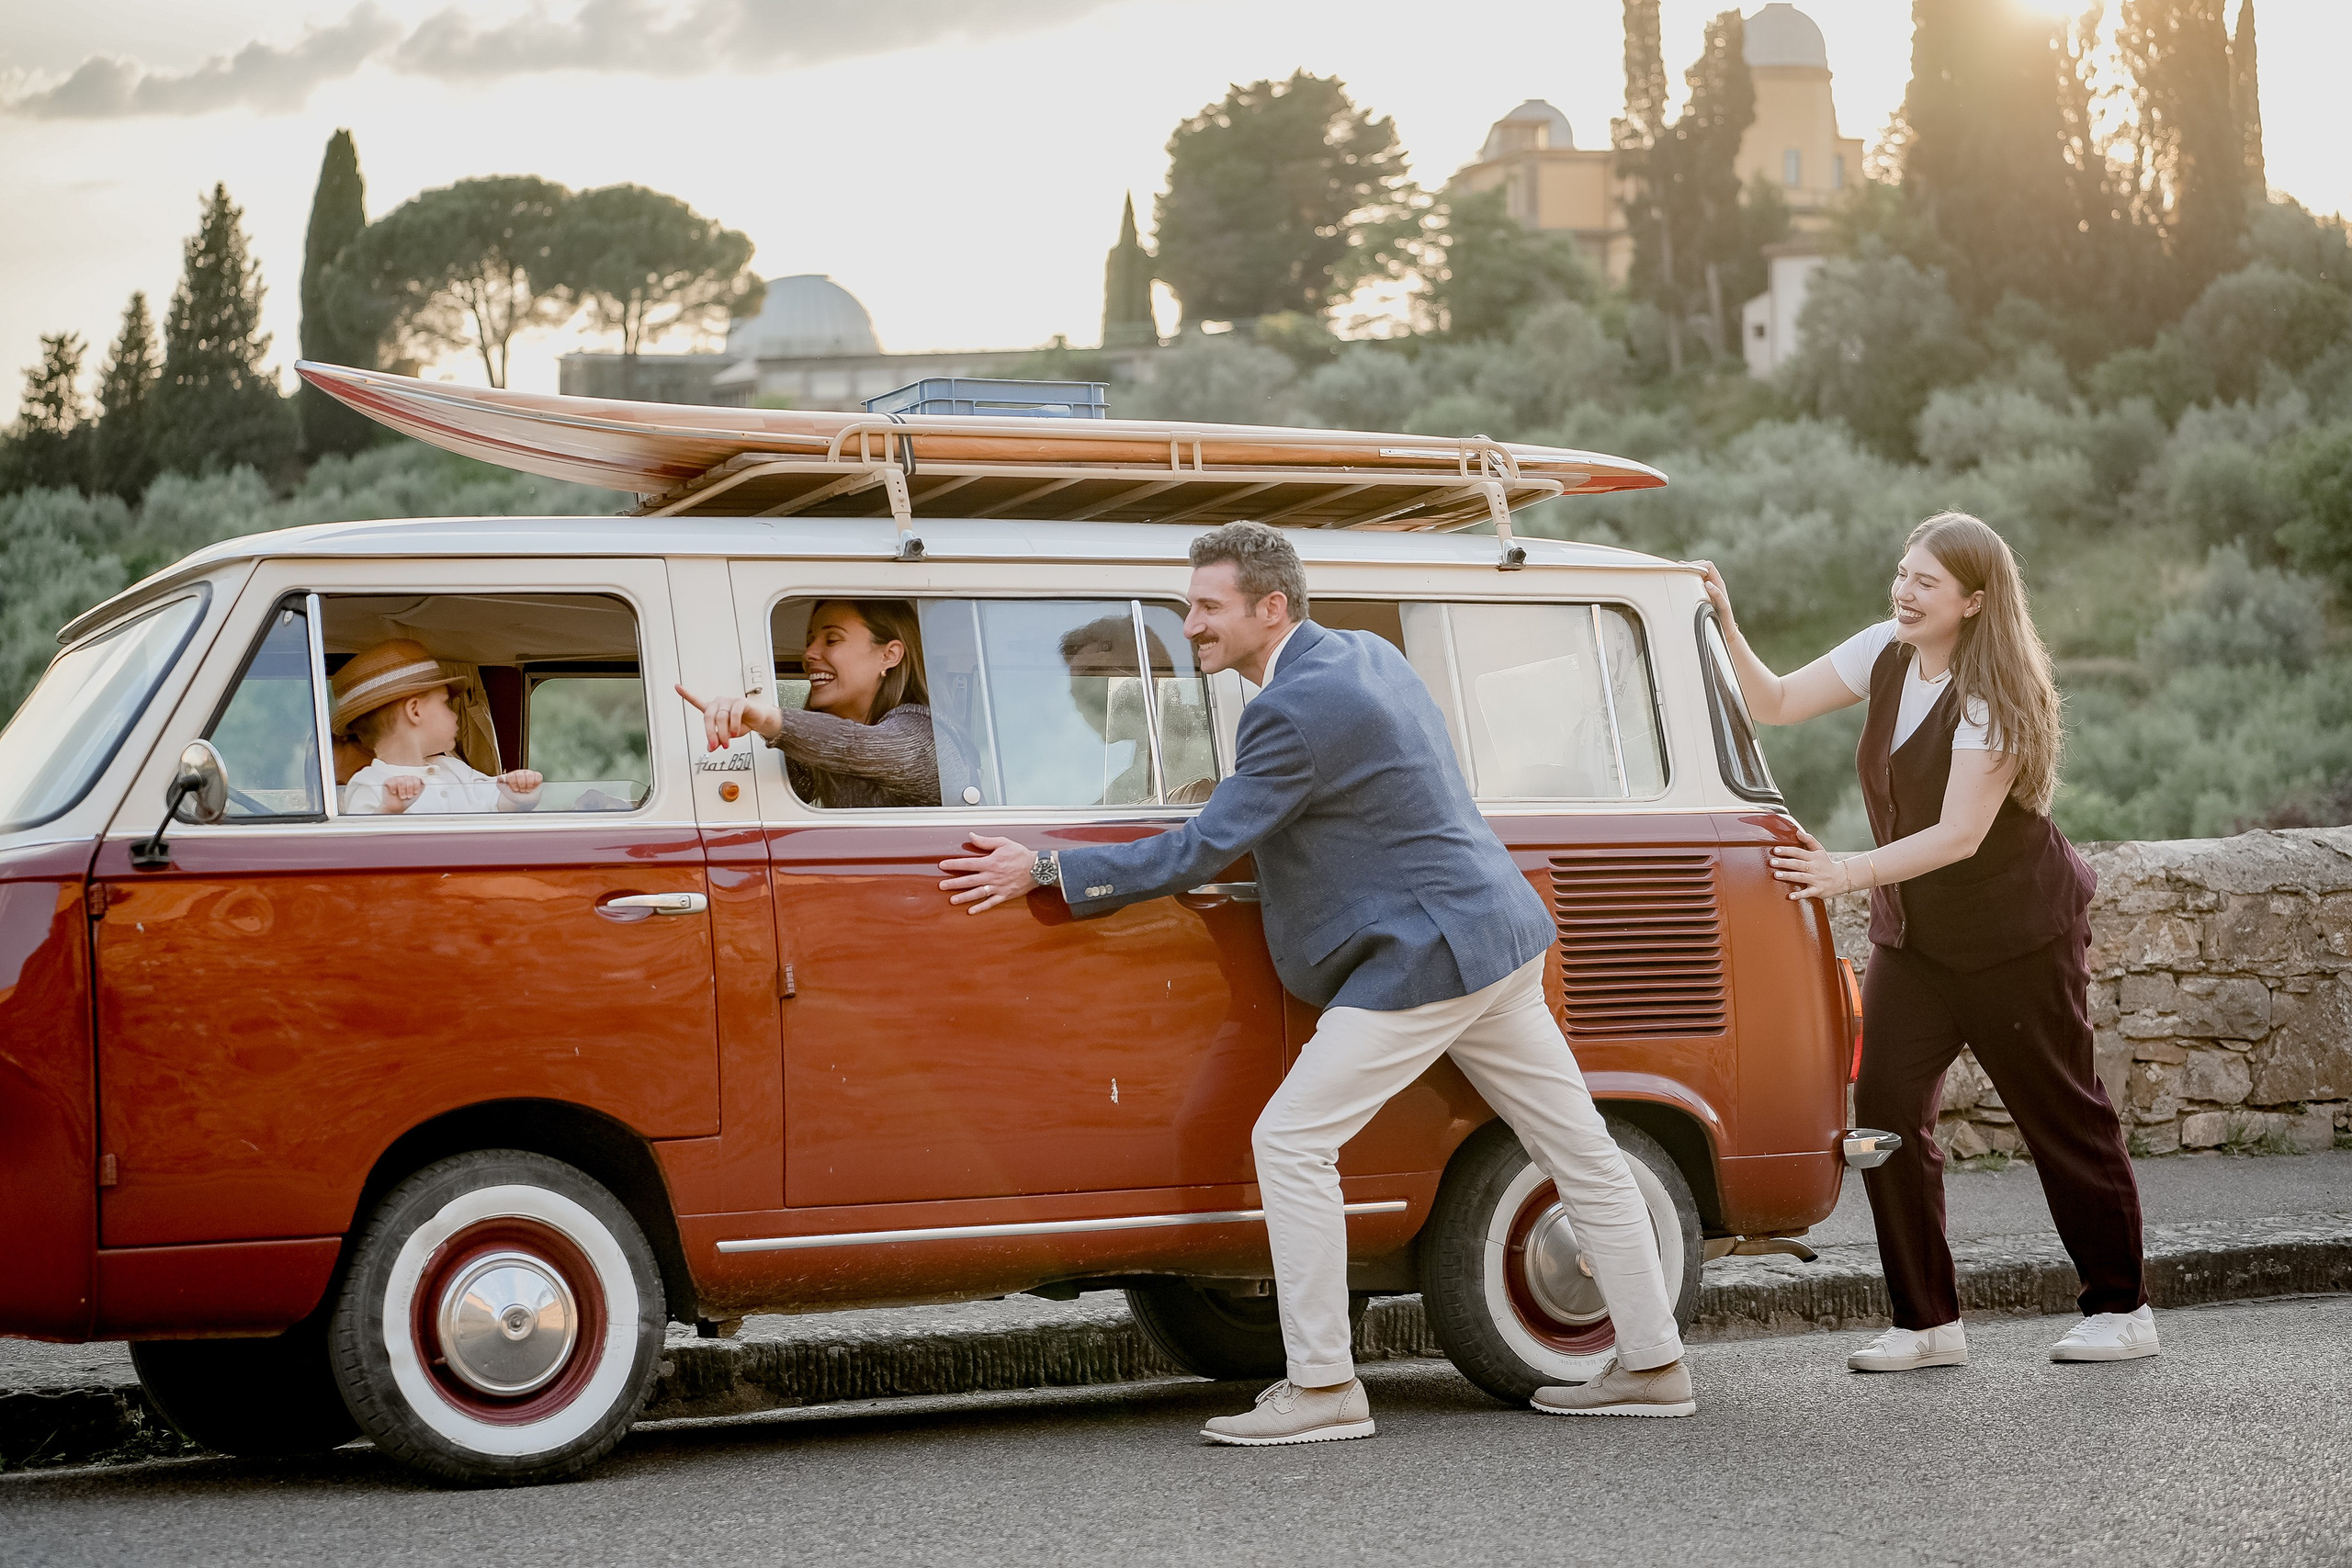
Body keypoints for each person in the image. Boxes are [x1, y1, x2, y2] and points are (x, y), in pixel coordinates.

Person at [938, 521, 1694, 1445]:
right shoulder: (1364, 654)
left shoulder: (1289, 711)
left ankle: (1325, 1386)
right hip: (1496, 936)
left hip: (1425, 958)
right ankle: (1653, 1363)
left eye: (1207, 607)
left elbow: (1203, 848)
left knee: (1292, 1141)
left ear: (1270, 607)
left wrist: (1045, 868)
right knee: (1580, 1153)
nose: (1190, 623)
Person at [1695, 512, 2154, 1371]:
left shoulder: (1991, 697)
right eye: (1903, 573)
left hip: (2018, 937)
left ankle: (2123, 1308)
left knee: (2063, 1116)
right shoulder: (1885, 651)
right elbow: (1775, 701)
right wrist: (1722, 617)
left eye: (1926, 582)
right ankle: (1927, 1322)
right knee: (1886, 1112)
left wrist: (1845, 872)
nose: (1903, 591)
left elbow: (1957, 835)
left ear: (1973, 601)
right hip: (1918, 939)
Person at [677, 600, 950, 807]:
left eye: (832, 640)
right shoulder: (826, 747)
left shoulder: (926, 736)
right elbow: (765, 791)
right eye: (810, 642)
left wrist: (770, 720)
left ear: (889, 655)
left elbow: (863, 747)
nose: (808, 653)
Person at [334, 638, 543, 815]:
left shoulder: (453, 768)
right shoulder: (368, 783)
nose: (454, 715)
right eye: (445, 704)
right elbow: (366, 845)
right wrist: (389, 811)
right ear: (415, 712)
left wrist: (518, 797)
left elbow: (495, 802)